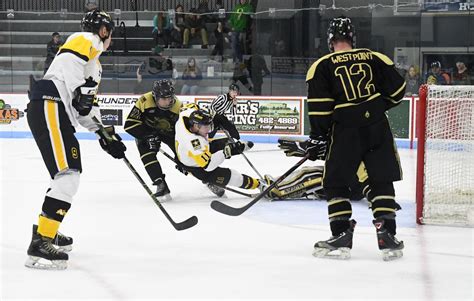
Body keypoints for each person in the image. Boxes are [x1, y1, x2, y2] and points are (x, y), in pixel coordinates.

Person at [289, 16, 406, 260]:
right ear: (353, 38)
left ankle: (341, 234)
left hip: (345, 130)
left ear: (330, 40)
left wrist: (319, 137)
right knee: (380, 178)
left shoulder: (322, 65)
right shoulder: (376, 58)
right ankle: (387, 235)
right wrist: (375, 107)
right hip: (377, 127)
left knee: (335, 182)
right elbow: (398, 90)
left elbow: (320, 108)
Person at [25, 9, 126, 270]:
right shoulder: (86, 39)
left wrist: (103, 133)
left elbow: (84, 109)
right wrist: (82, 93)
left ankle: (46, 230)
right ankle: (42, 240)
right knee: (67, 176)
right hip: (50, 104)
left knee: (64, 176)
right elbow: (74, 77)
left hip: (57, 110)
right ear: (104, 31)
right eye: (109, 31)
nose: (109, 36)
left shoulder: (95, 64)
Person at [175, 105, 262, 196]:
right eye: (206, 127)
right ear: (196, 126)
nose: (209, 129)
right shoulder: (194, 143)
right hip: (196, 167)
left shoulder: (185, 115)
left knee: (226, 144)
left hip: (190, 152)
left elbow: (190, 106)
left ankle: (234, 148)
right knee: (232, 177)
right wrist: (226, 152)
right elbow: (208, 166)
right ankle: (258, 184)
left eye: (209, 125)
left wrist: (219, 118)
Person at [124, 79, 182, 202]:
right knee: (147, 154)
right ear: (155, 97)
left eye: (170, 98)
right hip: (147, 131)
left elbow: (183, 131)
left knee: (184, 155)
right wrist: (148, 136)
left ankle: (207, 179)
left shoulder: (178, 106)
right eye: (164, 98)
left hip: (169, 133)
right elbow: (129, 125)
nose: (168, 101)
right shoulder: (144, 100)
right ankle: (160, 183)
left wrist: (181, 158)